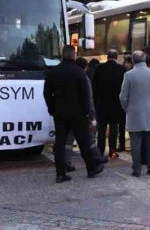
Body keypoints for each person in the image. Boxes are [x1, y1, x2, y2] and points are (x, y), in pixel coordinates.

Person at [43, 45, 103, 182]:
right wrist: (88, 114)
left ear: (62, 55)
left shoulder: (53, 72)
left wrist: (51, 109)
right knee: (84, 142)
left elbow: (47, 93)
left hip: (59, 113)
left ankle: (60, 173)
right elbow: (85, 95)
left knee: (60, 144)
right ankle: (92, 168)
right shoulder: (79, 72)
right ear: (73, 55)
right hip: (78, 113)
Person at [119, 50, 150, 177]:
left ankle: (137, 169)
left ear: (133, 61)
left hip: (134, 114)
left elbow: (123, 96)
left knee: (135, 143)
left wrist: (127, 108)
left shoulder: (128, 75)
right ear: (145, 60)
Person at [92, 49, 126, 159]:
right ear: (116, 57)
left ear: (107, 57)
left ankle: (100, 150)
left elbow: (93, 86)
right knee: (114, 128)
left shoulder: (99, 68)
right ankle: (112, 150)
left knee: (101, 129)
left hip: (101, 104)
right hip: (116, 104)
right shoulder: (122, 69)